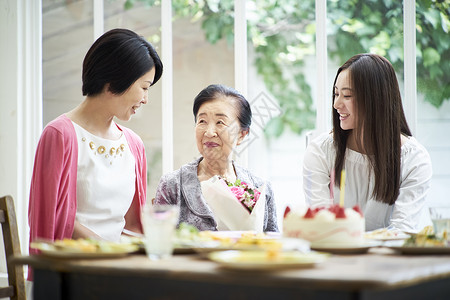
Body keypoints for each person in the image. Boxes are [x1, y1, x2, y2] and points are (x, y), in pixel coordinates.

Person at [28, 28, 163, 254]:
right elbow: (53, 220)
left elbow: (132, 226)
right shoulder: (60, 135)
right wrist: (109, 252)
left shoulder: (133, 144)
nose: (145, 99)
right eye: (144, 87)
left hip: (118, 268)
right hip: (72, 270)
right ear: (114, 81)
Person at [303, 53, 432, 233]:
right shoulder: (320, 152)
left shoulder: (414, 159)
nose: (336, 104)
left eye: (346, 95)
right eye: (336, 94)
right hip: (337, 257)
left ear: (376, 100)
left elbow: (402, 231)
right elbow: (322, 225)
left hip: (390, 259)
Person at [154, 84, 279, 232]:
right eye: (202, 121)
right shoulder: (172, 185)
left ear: (242, 134)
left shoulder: (260, 188)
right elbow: (158, 241)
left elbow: (272, 245)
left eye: (220, 122)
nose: (209, 132)